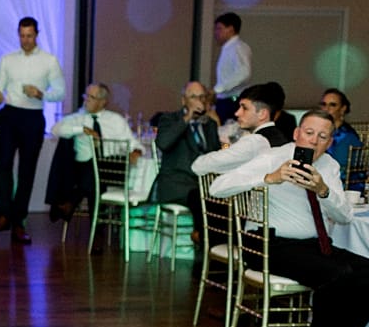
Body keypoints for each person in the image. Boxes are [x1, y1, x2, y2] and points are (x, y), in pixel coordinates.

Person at [210, 110, 369, 327]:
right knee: (337, 274)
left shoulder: (329, 166)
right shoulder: (270, 157)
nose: (314, 141)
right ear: (296, 134)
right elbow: (218, 187)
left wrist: (323, 190)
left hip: (311, 245)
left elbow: (344, 217)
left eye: (323, 136)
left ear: (329, 143)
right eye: (309, 133)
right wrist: (271, 177)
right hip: (268, 243)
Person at [0, 16, 66, 244]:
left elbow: (60, 91)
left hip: (33, 117)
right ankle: (4, 214)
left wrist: (41, 93)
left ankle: (18, 220)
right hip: (9, 114)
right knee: (4, 165)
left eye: (29, 36)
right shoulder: (8, 59)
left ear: (37, 35)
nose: (25, 40)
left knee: (27, 170)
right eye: (22, 36)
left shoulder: (49, 60)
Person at [44, 82, 137, 228]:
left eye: (91, 97)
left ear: (102, 102)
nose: (86, 100)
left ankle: (71, 201)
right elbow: (55, 130)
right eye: (85, 96)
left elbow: (134, 144)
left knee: (93, 173)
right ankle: (97, 233)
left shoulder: (116, 120)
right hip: (84, 170)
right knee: (92, 178)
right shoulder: (78, 117)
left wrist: (136, 152)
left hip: (111, 169)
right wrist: (81, 129)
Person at [152, 81, 222, 239]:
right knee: (201, 198)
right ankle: (202, 240)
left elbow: (216, 155)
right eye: (193, 97)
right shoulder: (170, 119)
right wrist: (187, 117)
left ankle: (214, 244)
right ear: (184, 100)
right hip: (176, 183)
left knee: (224, 198)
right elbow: (163, 143)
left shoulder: (209, 124)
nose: (199, 101)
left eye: (202, 97)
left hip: (203, 183)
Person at [192, 84, 288, 176]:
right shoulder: (280, 138)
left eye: (244, 108)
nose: (237, 113)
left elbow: (199, 165)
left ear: (262, 114)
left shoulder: (254, 141)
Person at [212, 12, 252, 123]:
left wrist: (218, 89)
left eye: (219, 28)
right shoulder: (229, 48)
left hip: (232, 101)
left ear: (230, 29)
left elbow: (244, 72)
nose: (216, 33)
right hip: (226, 100)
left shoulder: (238, 47)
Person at [319, 87, 361, 168]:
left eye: (332, 105)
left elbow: (340, 165)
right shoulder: (320, 131)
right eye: (324, 104)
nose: (326, 109)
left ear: (343, 109)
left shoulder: (347, 135)